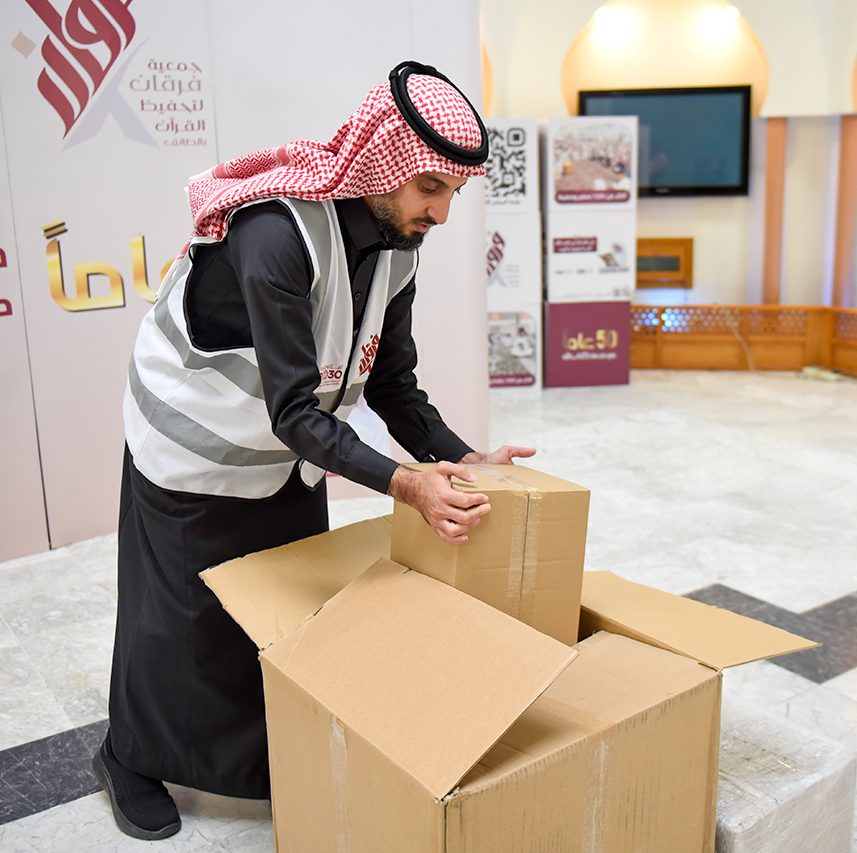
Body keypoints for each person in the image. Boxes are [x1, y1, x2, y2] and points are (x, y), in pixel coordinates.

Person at [93, 61, 535, 841]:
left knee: (284, 618)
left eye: (453, 194)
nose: (440, 212)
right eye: (430, 187)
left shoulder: (399, 243)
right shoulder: (276, 235)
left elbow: (392, 383)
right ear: (383, 164)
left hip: (285, 453)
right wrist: (408, 484)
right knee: (181, 623)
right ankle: (127, 755)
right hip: (194, 443)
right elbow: (295, 408)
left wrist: (465, 458)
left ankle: (268, 758)